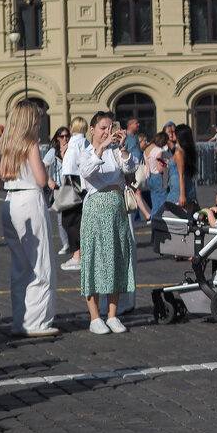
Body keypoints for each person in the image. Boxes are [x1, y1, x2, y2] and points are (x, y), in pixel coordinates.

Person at [0, 100, 57, 337]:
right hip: (30, 200)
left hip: (10, 201)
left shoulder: (4, 144)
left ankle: (20, 320)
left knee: (19, 265)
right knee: (40, 264)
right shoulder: (30, 144)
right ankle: (37, 321)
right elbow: (41, 180)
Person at [77, 111, 138, 335]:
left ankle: (112, 315)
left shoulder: (115, 152)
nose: (107, 132)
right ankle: (95, 317)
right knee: (95, 260)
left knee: (116, 259)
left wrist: (122, 148)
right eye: (103, 128)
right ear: (92, 129)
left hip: (117, 210)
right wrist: (100, 148)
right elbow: (85, 172)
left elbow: (130, 169)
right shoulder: (86, 152)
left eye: (110, 127)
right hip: (95, 209)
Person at [59, 116, 89, 272]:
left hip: (73, 186)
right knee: (79, 222)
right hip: (85, 187)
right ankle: (81, 255)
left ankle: (77, 256)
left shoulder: (72, 144)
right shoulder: (86, 142)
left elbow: (69, 168)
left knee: (69, 222)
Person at [44, 127, 71, 254]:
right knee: (61, 218)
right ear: (57, 138)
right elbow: (43, 167)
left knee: (74, 217)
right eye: (62, 136)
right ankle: (66, 244)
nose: (65, 138)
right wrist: (49, 180)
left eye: (67, 136)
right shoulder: (53, 152)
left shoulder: (72, 150)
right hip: (59, 187)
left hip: (72, 186)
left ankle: (75, 244)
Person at [170, 124, 199, 211]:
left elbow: (181, 174)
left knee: (180, 216)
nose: (171, 135)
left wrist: (182, 195)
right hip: (182, 185)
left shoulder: (179, 152)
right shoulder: (183, 150)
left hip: (179, 188)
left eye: (174, 133)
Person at [146, 132, 172, 218]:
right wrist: (167, 165)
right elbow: (160, 167)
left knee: (155, 205)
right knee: (162, 205)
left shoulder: (147, 149)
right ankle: (161, 226)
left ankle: (154, 227)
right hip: (157, 177)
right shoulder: (158, 151)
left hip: (149, 177)